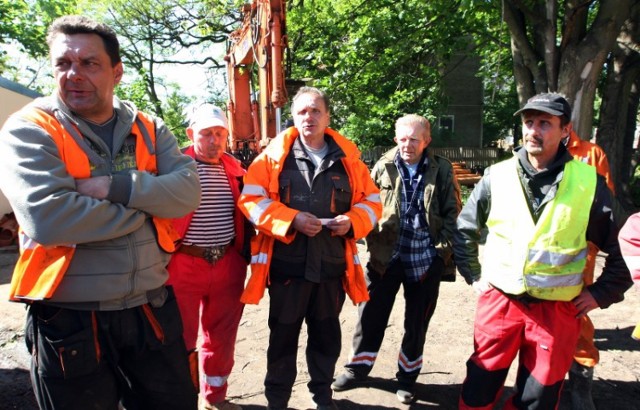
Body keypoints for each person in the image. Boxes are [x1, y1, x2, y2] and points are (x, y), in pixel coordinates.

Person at [0, 15, 200, 410]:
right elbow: (49, 219)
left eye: (89, 63)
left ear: (117, 71)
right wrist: (147, 205)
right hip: (70, 320)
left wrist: (115, 188)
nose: (74, 74)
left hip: (151, 308)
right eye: (63, 63)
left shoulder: (149, 126)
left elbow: (188, 194)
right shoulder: (29, 128)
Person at [453, 92, 632, 409]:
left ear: (566, 130)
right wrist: (473, 275)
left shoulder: (588, 182)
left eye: (545, 123)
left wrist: (601, 293)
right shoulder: (497, 176)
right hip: (500, 303)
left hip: (557, 311)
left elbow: (625, 246)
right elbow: (465, 228)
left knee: (539, 396)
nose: (533, 130)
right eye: (529, 122)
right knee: (479, 386)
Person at [237, 86, 382, 410]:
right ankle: (277, 401)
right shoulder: (273, 158)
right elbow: (251, 200)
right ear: (293, 116)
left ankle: (322, 396)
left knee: (326, 339)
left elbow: (372, 202)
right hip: (288, 269)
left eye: (315, 110)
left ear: (327, 116)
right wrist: (291, 220)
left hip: (331, 269)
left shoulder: (349, 161)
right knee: (282, 340)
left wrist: (353, 221)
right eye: (302, 111)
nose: (309, 117)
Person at [331, 114, 461, 404]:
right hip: (384, 257)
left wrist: (441, 252)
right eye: (402, 139)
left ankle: (407, 378)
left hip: (424, 259)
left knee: (416, 322)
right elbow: (364, 204)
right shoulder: (382, 166)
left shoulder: (441, 169)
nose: (408, 145)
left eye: (414, 139)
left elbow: (453, 213)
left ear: (426, 141)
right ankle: (357, 369)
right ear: (395, 139)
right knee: (370, 315)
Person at [167, 103, 253, 410]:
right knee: (182, 337)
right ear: (192, 134)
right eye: (207, 134)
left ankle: (215, 397)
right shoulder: (173, 168)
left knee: (223, 336)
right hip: (183, 264)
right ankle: (185, 398)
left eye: (220, 133)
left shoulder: (238, 172)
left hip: (228, 263)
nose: (214, 140)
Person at [563, 129, 615, 409]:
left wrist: (590, 244)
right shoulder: (536, 151)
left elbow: (606, 206)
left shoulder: (591, 154)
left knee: (578, 314)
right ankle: (547, 382)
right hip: (540, 256)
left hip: (580, 252)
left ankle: (581, 385)